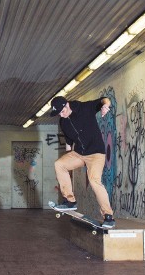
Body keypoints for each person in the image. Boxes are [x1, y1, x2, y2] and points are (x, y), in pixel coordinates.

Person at [50, 95, 116, 228]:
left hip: (96, 153)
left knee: (94, 180)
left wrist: (106, 106)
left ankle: (108, 216)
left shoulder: (84, 108)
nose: (62, 116)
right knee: (59, 164)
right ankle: (69, 200)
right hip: (79, 153)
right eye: (59, 114)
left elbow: (103, 99)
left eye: (63, 111)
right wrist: (67, 160)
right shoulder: (63, 122)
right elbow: (69, 143)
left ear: (67, 104)